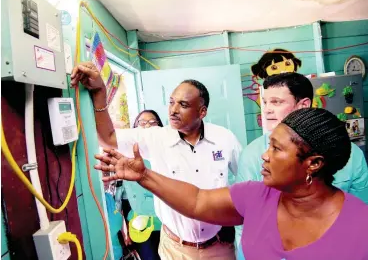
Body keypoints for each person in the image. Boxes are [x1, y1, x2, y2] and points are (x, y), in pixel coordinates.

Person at [95, 108, 368, 260]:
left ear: (314, 163)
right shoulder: (258, 196)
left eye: (276, 148)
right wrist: (144, 176)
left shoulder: (359, 226)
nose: (264, 154)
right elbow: (197, 201)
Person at [70, 62, 242, 260]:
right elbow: (108, 137)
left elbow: (249, 181)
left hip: (219, 247)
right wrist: (100, 91)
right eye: (171, 102)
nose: (173, 110)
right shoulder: (155, 137)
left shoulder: (225, 139)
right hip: (174, 249)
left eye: (183, 105)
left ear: (202, 112)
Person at [234, 72, 368, 248]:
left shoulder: (352, 155)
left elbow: (360, 215)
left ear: (303, 105)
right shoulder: (252, 155)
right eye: (265, 102)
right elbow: (245, 224)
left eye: (276, 102)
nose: (266, 109)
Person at [118, 110, 164, 260]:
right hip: (139, 226)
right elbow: (124, 198)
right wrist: (125, 229)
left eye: (152, 122)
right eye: (142, 123)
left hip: (166, 223)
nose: (147, 126)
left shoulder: (166, 156)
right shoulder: (126, 157)